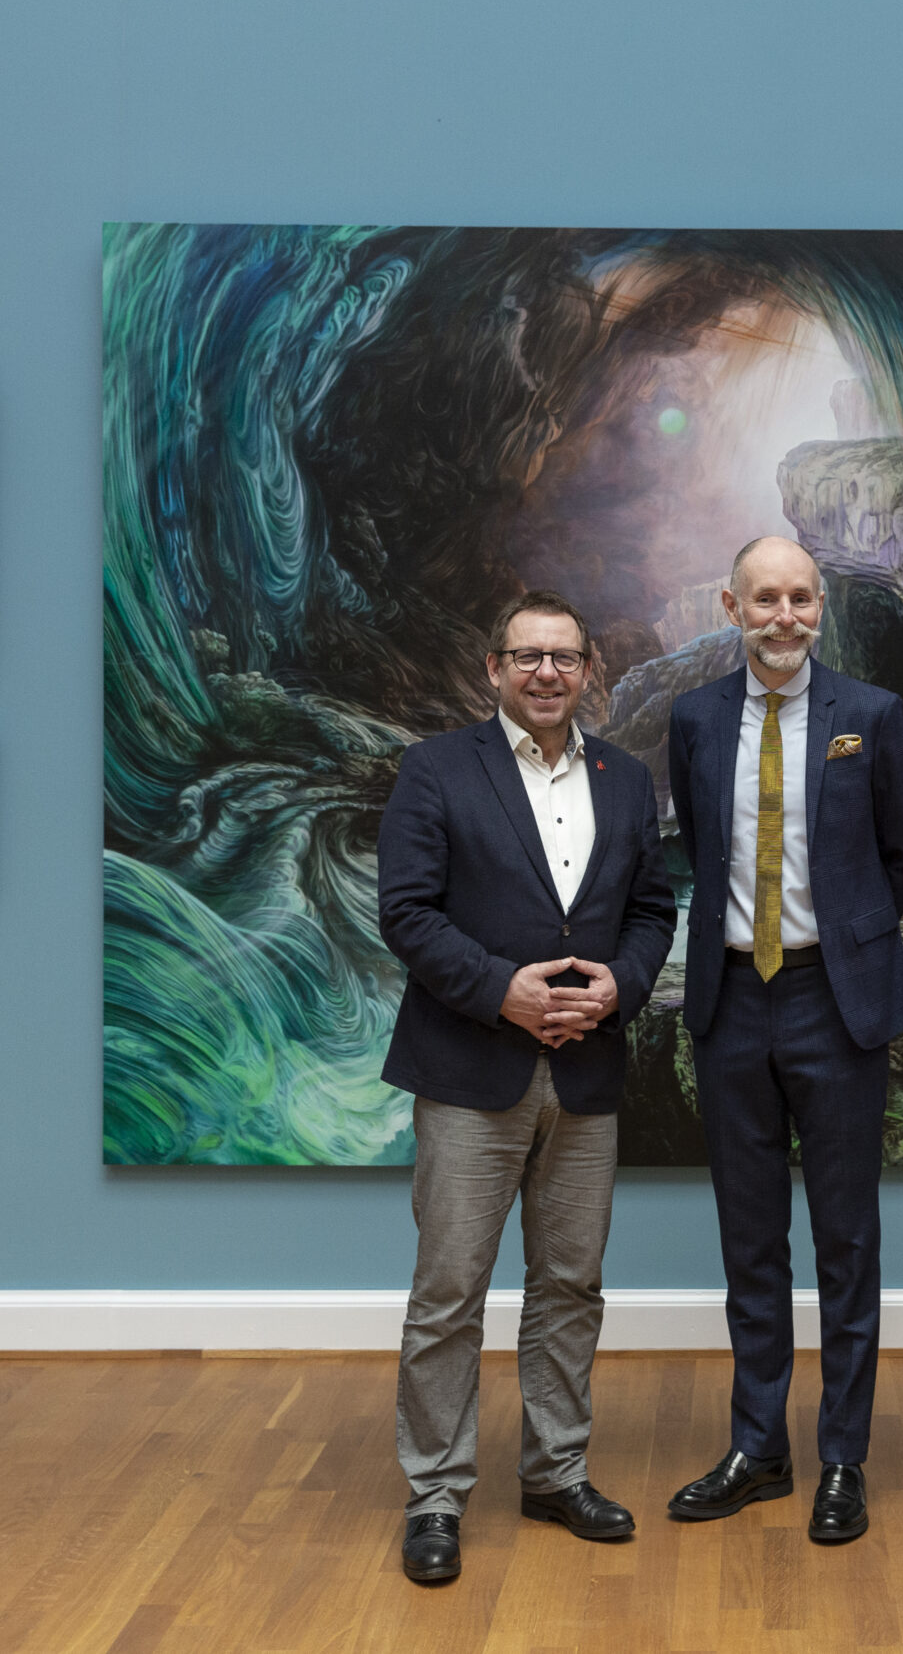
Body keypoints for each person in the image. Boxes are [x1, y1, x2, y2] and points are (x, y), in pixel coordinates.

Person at [375, 589, 679, 1584]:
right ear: (495, 669)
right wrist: (499, 990)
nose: (546, 672)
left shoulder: (625, 779)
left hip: (586, 1073)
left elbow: (652, 910)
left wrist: (622, 984)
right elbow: (407, 912)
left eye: (563, 657)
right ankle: (435, 1493)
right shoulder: (436, 769)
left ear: (588, 669)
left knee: (569, 1286)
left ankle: (555, 1473)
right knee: (449, 1291)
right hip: (470, 1071)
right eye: (527, 656)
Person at [663, 535, 903, 1545]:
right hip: (731, 1001)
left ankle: (843, 1457)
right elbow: (701, 847)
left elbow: (902, 853)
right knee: (751, 1240)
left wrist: (847, 939)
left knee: (847, 1241)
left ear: (820, 607)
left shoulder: (873, 715)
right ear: (732, 606)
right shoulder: (694, 718)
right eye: (766, 599)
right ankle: (758, 1448)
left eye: (802, 599)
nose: (785, 617)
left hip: (835, 1001)